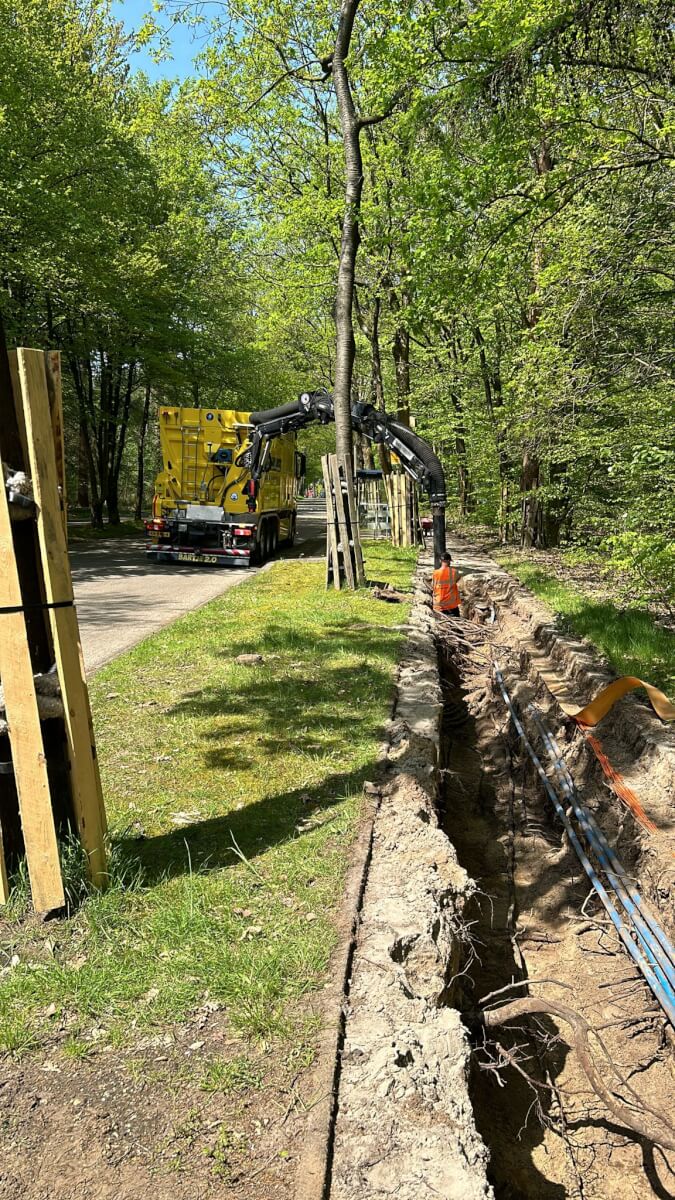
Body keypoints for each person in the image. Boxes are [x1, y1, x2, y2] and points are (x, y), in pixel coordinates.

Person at [432, 551, 461, 617]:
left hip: (439, 606)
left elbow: (433, 586)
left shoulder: (435, 573)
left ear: (440, 561)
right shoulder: (454, 572)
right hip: (452, 606)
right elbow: (458, 579)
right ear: (449, 561)